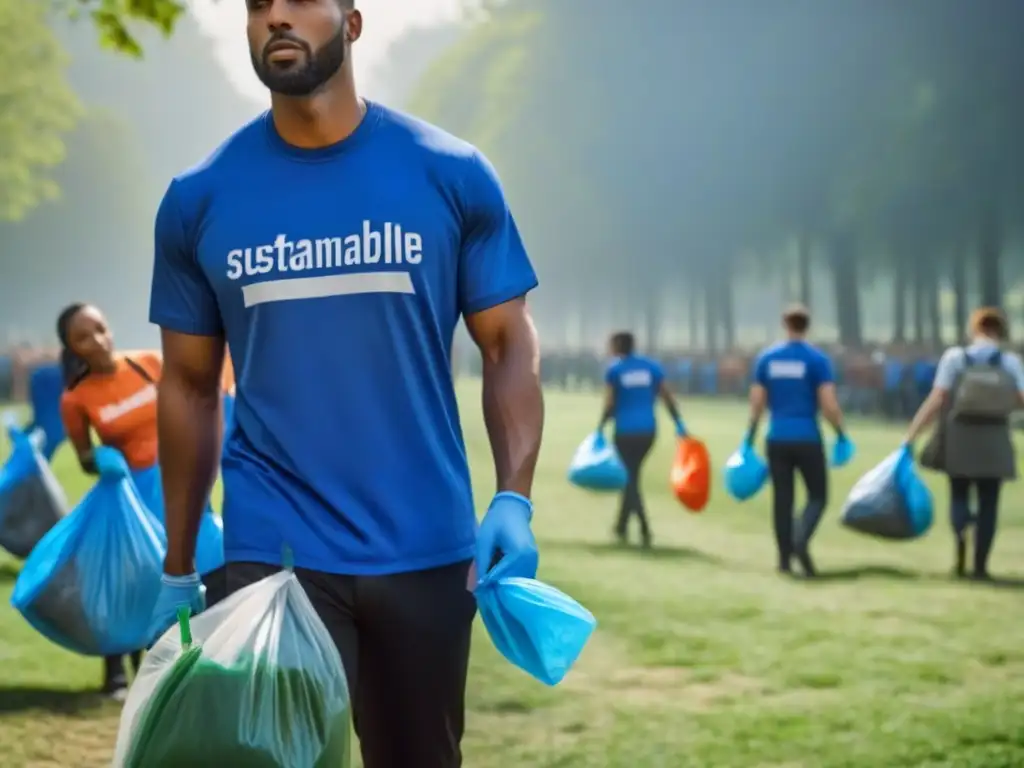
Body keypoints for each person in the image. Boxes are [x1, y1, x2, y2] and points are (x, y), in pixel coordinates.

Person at [144, 2, 543, 766]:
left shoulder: (451, 174)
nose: (275, 18)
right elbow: (189, 387)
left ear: (352, 24)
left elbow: (507, 346)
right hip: (274, 551)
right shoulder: (199, 199)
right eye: (258, 6)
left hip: (426, 546)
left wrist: (515, 497)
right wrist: (178, 561)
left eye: (298, 2)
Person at [56, 303, 153, 701]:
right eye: (83, 336)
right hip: (128, 496)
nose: (96, 340)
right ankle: (116, 672)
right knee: (126, 581)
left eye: (99, 328)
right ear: (72, 347)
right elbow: (82, 459)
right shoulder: (76, 399)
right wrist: (104, 460)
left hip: (178, 488)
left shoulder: (149, 364)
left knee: (179, 579)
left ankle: (164, 666)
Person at [905, 308, 1024, 580]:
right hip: (995, 436)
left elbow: (937, 399)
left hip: (959, 434)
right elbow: (1021, 398)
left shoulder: (956, 358)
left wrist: (912, 433)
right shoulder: (1010, 362)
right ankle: (981, 566)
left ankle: (961, 544)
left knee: (959, 495)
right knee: (989, 502)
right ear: (1001, 331)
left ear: (974, 329)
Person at [747, 305, 846, 577]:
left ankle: (783, 559)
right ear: (807, 326)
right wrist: (840, 433)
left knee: (782, 499)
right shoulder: (817, 360)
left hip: (776, 436)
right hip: (807, 437)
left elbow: (757, 402)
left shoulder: (766, 359)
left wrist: (749, 435)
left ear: (784, 324)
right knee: (817, 495)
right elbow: (828, 404)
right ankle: (801, 538)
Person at [599, 331, 685, 548]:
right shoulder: (651, 367)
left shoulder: (615, 369)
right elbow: (667, 396)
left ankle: (645, 528)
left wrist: (600, 426)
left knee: (630, 480)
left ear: (618, 346)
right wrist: (678, 423)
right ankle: (621, 525)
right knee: (631, 475)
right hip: (648, 431)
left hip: (625, 431)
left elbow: (609, 403)